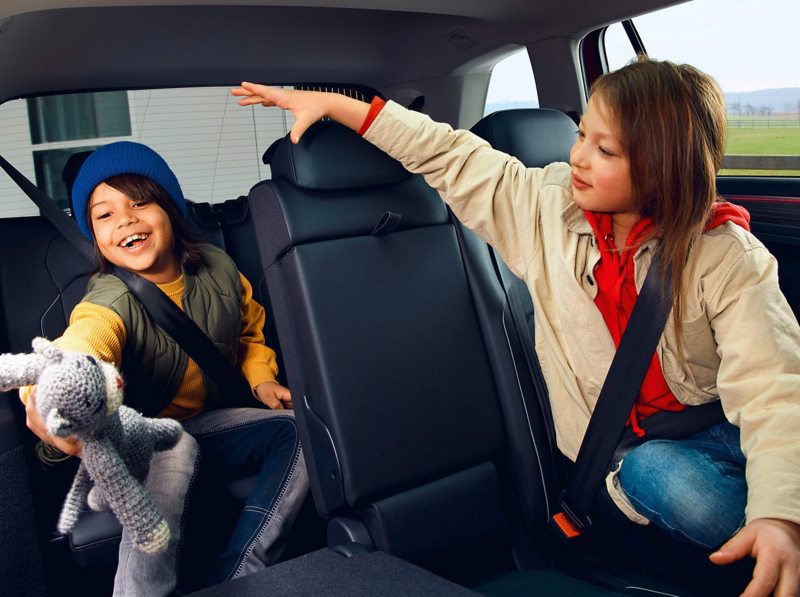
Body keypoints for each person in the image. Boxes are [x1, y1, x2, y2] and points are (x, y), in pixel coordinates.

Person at [232, 56, 800, 597]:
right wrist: (339, 105)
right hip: (637, 449)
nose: (578, 157)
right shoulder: (545, 210)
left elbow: (775, 390)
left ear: (662, 168)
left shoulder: (726, 255)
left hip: (722, 420)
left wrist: (780, 511)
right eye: (582, 135)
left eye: (604, 149)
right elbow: (448, 154)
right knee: (669, 480)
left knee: (782, 477)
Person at [19, 141, 309, 596]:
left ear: (171, 209)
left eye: (140, 202)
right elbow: (83, 344)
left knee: (301, 430)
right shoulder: (108, 300)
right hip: (141, 437)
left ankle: (240, 577)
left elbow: (250, 333)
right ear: (94, 235)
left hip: (208, 421)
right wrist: (57, 385)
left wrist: (263, 379)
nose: (126, 220)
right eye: (105, 215)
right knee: (174, 450)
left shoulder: (219, 268)